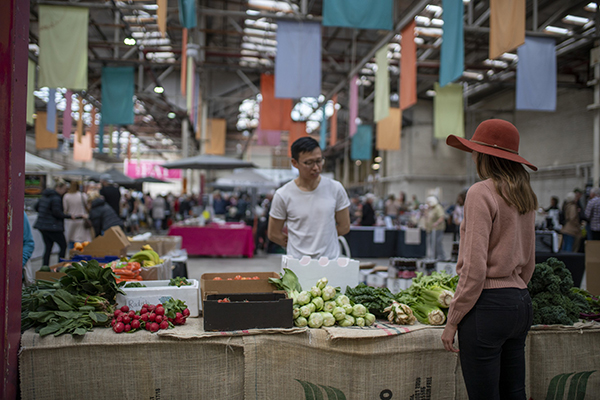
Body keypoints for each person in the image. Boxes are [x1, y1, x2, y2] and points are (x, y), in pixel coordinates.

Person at [442, 119, 538, 400]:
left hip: (487, 306)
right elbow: (530, 261)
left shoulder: (480, 192)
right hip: (520, 302)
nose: (472, 156)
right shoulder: (525, 194)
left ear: (485, 155)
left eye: (474, 150)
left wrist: (453, 320)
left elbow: (474, 267)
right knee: (514, 392)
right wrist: (513, 288)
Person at [268, 137, 350, 259]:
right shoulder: (283, 194)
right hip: (297, 265)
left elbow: (344, 226)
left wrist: (323, 238)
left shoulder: (335, 188)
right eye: (309, 163)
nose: (316, 167)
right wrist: (298, 243)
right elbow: (274, 233)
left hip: (330, 263)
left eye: (319, 161)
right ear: (295, 163)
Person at [34, 181, 73, 266]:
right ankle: (60, 266)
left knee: (48, 247)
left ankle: (45, 267)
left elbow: (36, 207)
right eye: (64, 189)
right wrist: (69, 216)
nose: (65, 191)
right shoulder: (56, 198)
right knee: (63, 246)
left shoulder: (44, 196)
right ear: (58, 188)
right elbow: (57, 213)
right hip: (53, 226)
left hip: (42, 226)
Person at [62, 181, 92, 248]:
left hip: (71, 220)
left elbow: (65, 209)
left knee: (71, 238)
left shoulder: (66, 196)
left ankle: (72, 253)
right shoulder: (82, 195)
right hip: (82, 219)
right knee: (81, 238)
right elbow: (88, 206)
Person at [423, 195, 446, 260]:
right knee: (432, 243)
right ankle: (434, 256)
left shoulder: (438, 208)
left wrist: (436, 223)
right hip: (430, 229)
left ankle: (441, 257)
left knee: (437, 243)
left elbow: (442, 217)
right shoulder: (430, 209)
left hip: (437, 229)